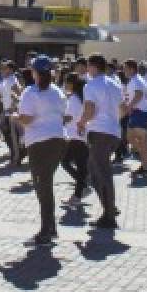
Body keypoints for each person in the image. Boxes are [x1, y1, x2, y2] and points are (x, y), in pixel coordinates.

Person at [13, 55, 68, 244]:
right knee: (45, 184)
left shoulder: (30, 92)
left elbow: (27, 119)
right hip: (58, 140)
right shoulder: (57, 92)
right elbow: (64, 115)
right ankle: (50, 227)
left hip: (39, 143)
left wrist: (15, 117)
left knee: (42, 186)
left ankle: (47, 230)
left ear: (35, 72)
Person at [76, 54, 123, 228]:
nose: (86, 69)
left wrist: (81, 122)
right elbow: (123, 108)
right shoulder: (115, 84)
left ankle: (109, 214)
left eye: (88, 66)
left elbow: (90, 109)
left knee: (101, 173)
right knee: (96, 171)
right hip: (113, 131)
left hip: (100, 132)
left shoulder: (91, 85)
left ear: (94, 66)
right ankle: (109, 207)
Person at [60, 72, 90, 205]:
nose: (64, 84)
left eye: (66, 82)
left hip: (75, 136)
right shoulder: (79, 97)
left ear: (72, 84)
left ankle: (80, 190)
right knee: (80, 166)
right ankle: (80, 190)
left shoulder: (74, 99)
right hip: (80, 135)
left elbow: (69, 117)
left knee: (66, 162)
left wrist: (56, 117)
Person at [122, 60, 147, 176]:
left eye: (125, 68)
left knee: (136, 138)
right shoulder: (134, 80)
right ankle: (146, 161)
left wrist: (130, 106)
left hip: (139, 112)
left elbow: (139, 94)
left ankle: (145, 161)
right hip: (137, 112)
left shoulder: (137, 80)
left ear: (132, 69)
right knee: (132, 138)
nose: (123, 71)